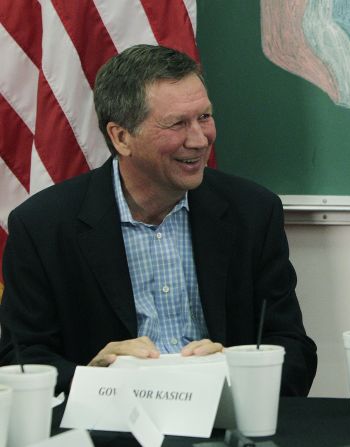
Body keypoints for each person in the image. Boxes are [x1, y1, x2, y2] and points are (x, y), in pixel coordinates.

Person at [0, 44, 317, 396]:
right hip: (109, 428)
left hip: (221, 423)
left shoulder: (253, 212)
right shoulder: (43, 226)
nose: (199, 140)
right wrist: (93, 379)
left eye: (204, 117)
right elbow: (20, 360)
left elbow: (295, 350)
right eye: (178, 124)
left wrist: (234, 367)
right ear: (121, 137)